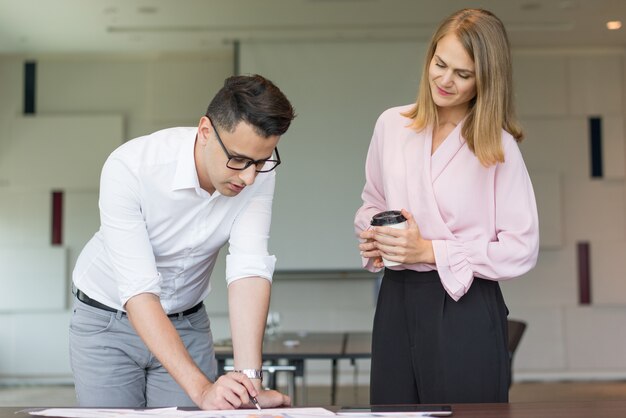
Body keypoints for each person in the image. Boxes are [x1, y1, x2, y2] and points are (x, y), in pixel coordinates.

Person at [70, 74, 296, 409]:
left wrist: (250, 381)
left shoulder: (258, 176)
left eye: (261, 162)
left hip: (187, 321)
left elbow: (249, 268)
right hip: (107, 322)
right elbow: (138, 291)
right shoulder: (131, 167)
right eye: (238, 160)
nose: (248, 177)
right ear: (206, 132)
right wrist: (203, 389)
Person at [354, 9, 539, 404]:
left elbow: (521, 248)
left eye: (463, 74)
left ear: (485, 80)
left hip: (465, 305)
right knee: (392, 412)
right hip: (396, 298)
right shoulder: (392, 125)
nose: (445, 80)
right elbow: (373, 201)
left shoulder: (498, 147)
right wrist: (373, 235)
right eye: (440, 64)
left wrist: (430, 250)